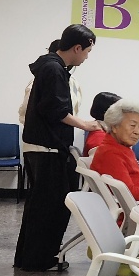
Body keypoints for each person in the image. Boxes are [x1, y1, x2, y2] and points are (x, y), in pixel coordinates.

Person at [13, 24, 101, 272]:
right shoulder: (54, 69)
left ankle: (28, 258)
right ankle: (40, 260)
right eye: (87, 52)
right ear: (77, 48)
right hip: (47, 148)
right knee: (49, 208)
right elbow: (55, 109)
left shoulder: (50, 67)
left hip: (40, 147)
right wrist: (85, 124)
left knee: (38, 205)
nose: (86, 58)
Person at [17, 38, 84, 175]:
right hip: (45, 146)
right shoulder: (51, 74)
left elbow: (24, 112)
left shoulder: (70, 81)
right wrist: (85, 125)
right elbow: (29, 112)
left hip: (53, 145)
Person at [89, 99, 139, 203]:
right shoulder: (110, 153)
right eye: (132, 125)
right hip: (136, 209)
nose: (137, 132)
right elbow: (130, 194)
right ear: (114, 127)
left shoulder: (121, 147)